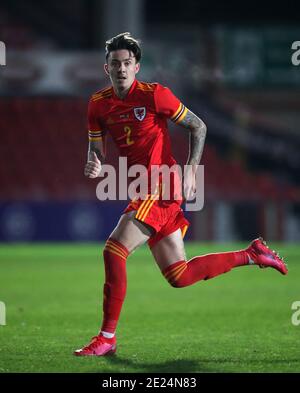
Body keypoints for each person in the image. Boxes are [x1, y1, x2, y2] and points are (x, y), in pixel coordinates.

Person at [74, 32, 287, 357]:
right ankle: (252, 254)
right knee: (179, 275)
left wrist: (190, 168)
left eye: (127, 63)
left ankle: (107, 337)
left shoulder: (155, 95)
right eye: (115, 64)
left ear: (137, 66)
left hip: (163, 183)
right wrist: (93, 159)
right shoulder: (98, 104)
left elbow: (198, 126)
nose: (121, 69)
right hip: (141, 187)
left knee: (114, 250)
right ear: (106, 68)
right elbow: (96, 145)